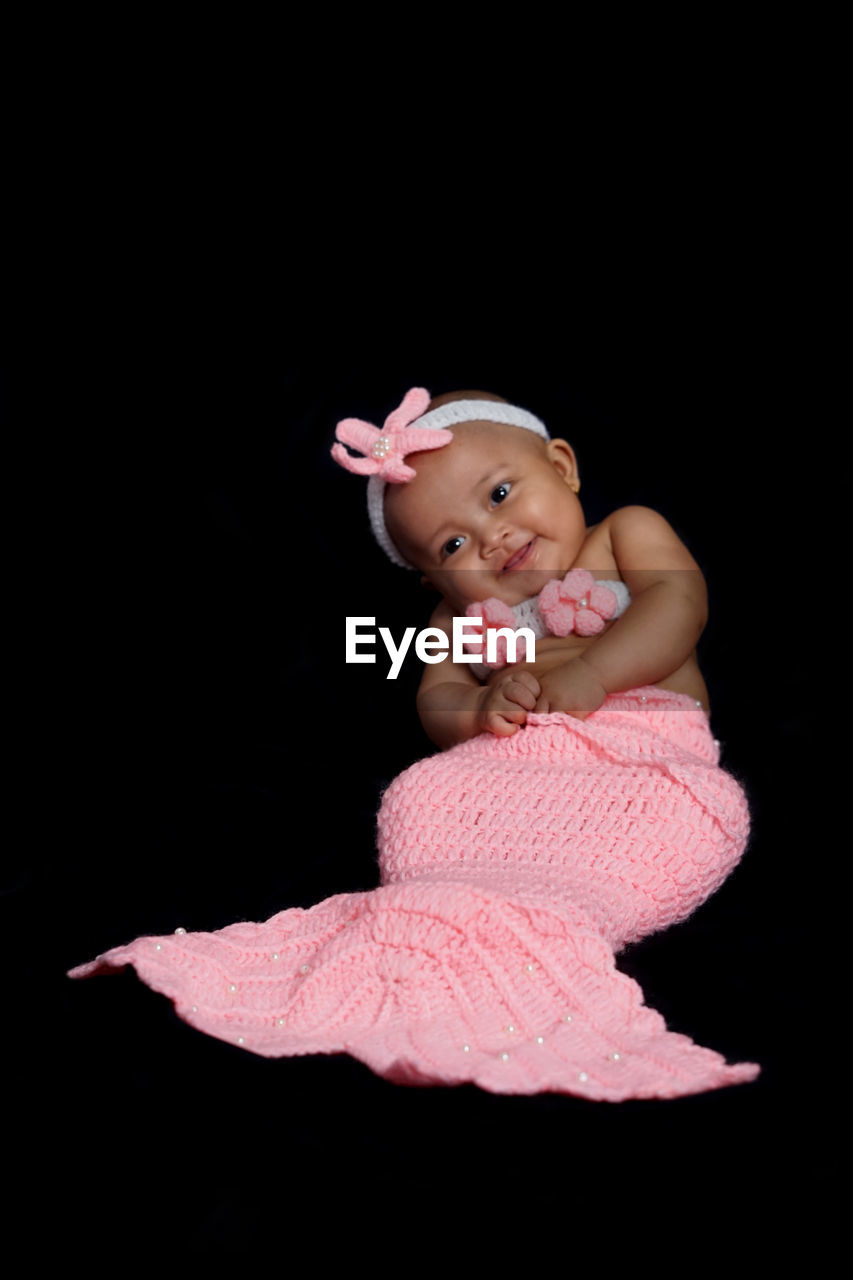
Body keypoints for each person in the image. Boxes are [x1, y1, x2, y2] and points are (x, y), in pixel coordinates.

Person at [68, 385, 760, 1101]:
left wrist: (592, 673)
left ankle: (545, 921)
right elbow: (438, 698)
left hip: (640, 752)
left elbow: (677, 604)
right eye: (452, 545)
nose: (490, 537)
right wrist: (479, 708)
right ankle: (441, 914)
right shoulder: (455, 615)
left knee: (692, 807)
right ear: (431, 577)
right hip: (512, 765)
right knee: (422, 787)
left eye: (497, 492)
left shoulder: (622, 534)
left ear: (561, 465)